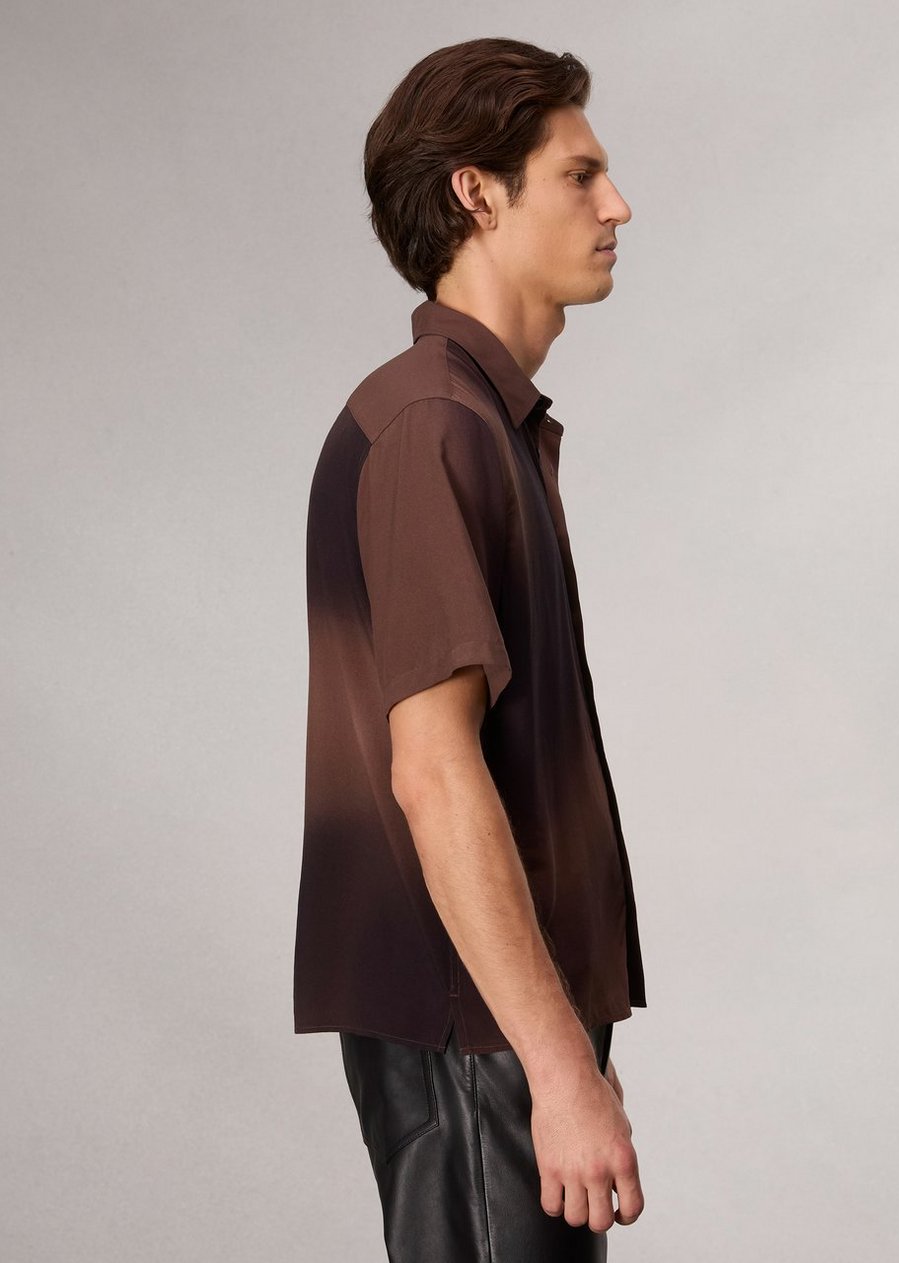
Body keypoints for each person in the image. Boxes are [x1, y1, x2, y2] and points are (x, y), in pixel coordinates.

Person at [293, 36, 647, 1262]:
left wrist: (564, 1050)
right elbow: (433, 771)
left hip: (500, 1026)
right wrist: (551, 1068)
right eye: (578, 175)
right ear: (476, 194)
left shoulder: (477, 422)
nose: (616, 206)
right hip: (474, 1032)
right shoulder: (432, 424)